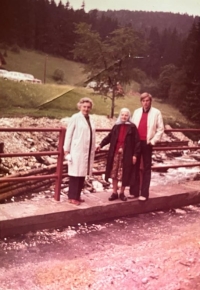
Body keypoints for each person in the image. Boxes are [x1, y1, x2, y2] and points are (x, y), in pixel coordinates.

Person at [96, 108, 140, 201]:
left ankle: (122, 193)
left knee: (125, 173)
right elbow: (109, 137)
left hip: (127, 154)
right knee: (114, 173)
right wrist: (101, 144)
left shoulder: (132, 127)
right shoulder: (116, 126)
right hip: (115, 153)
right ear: (120, 115)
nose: (124, 117)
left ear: (129, 116)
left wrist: (135, 155)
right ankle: (114, 192)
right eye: (122, 115)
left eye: (126, 115)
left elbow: (137, 142)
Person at [130, 92, 164, 201]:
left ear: (150, 101)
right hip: (136, 142)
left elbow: (160, 129)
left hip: (147, 142)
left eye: (147, 101)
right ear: (141, 102)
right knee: (134, 166)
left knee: (146, 168)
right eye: (143, 101)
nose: (145, 103)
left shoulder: (156, 113)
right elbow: (132, 127)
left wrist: (153, 141)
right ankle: (134, 192)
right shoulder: (136, 112)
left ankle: (144, 193)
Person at [64, 97, 96, 205]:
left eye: (88, 107)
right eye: (84, 107)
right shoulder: (75, 117)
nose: (86, 109)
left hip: (86, 150)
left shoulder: (91, 119)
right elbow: (69, 134)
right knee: (74, 174)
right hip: (77, 149)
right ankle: (72, 197)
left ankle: (77, 196)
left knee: (82, 173)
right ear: (80, 106)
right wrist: (66, 150)